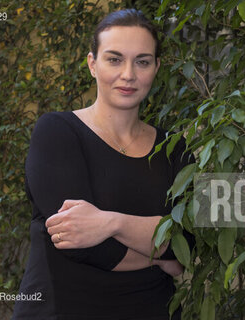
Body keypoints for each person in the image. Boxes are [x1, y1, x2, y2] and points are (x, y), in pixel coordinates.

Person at [12, 8, 195, 320]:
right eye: (114, 59)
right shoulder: (57, 132)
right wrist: (160, 256)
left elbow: (188, 241)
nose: (129, 74)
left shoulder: (174, 148)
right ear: (92, 64)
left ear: (156, 67)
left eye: (142, 61)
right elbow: (79, 245)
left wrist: (111, 223)